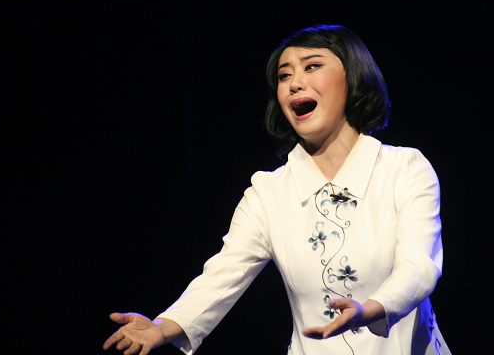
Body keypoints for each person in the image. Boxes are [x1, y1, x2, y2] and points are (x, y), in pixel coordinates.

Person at [103, 25, 451, 355]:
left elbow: (418, 264)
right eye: (284, 76)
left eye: (312, 66)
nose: (294, 84)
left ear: (352, 77)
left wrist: (371, 309)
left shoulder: (404, 169)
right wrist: (163, 326)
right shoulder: (268, 193)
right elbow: (223, 276)